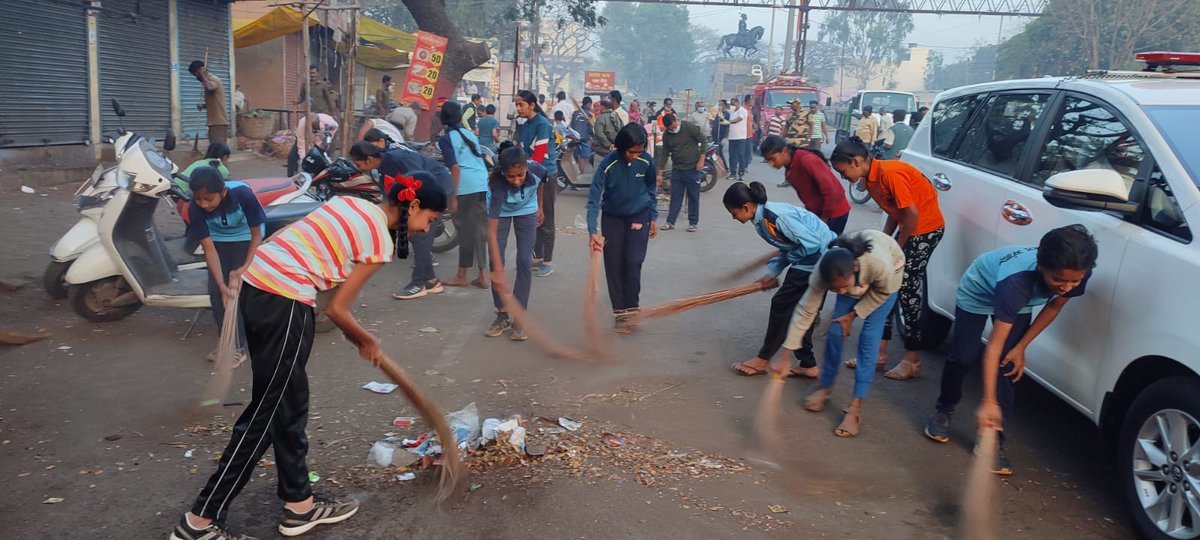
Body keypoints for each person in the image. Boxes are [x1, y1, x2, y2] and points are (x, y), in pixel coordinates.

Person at [168, 174, 447, 540]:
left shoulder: (353, 204)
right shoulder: (378, 240)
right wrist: (368, 340)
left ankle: (299, 505)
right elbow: (338, 311)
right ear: (412, 206)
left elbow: (314, 258)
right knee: (266, 414)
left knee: (290, 404)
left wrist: (358, 336)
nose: (426, 229)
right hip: (283, 301)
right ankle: (199, 522)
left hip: (259, 289)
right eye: (429, 219)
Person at [923, 225, 1097, 475]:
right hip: (980, 290)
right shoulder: (1016, 284)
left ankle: (993, 436)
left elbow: (1053, 308)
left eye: (1074, 281)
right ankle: (944, 409)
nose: (1067, 287)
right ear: (1041, 267)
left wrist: (1021, 347)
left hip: (1021, 302)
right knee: (963, 356)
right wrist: (988, 401)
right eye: (1058, 280)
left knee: (1009, 363)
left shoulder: (1076, 273)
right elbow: (993, 346)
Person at [829, 136, 945, 380]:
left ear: (857, 161)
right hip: (908, 229)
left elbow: (911, 215)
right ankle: (879, 354)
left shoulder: (890, 174)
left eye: (843, 172)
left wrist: (896, 251)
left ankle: (912, 359)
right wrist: (881, 244)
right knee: (886, 284)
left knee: (905, 291)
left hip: (925, 230)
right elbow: (895, 213)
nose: (843, 178)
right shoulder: (870, 179)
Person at [773, 229, 904, 437]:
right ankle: (825, 386)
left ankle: (855, 407)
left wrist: (853, 316)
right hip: (853, 277)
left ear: (853, 270)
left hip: (887, 281)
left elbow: (883, 292)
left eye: (842, 288)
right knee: (835, 332)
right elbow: (806, 310)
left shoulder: (879, 266)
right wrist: (786, 355)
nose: (840, 293)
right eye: (835, 290)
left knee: (869, 340)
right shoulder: (824, 272)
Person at [725, 181, 835, 378]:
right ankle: (808, 364)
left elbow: (812, 244)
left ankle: (763, 359)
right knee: (803, 312)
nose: (734, 218)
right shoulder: (761, 220)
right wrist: (772, 273)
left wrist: (789, 261)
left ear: (746, 207)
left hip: (817, 260)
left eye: (734, 213)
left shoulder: (774, 218)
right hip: (813, 260)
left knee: (781, 305)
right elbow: (788, 247)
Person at [347, 142, 453, 300]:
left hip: (437, 188)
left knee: (419, 236)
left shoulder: (397, 159)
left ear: (369, 159)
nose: (357, 168)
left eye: (358, 163)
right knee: (416, 235)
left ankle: (419, 282)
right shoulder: (383, 168)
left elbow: (424, 180)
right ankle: (431, 281)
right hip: (422, 194)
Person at [186, 166, 265, 366]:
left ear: (222, 192)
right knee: (216, 291)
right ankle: (228, 343)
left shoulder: (243, 195)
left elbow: (257, 235)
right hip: (218, 240)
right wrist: (220, 284)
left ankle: (237, 348)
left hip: (246, 237)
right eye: (199, 199)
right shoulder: (194, 208)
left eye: (209, 199)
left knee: (236, 291)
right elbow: (208, 248)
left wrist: (244, 268)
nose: (203, 204)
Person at [587, 124, 658, 333]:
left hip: (639, 216)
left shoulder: (646, 161)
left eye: (639, 151)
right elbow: (593, 199)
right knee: (614, 265)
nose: (635, 156)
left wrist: (653, 216)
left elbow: (651, 188)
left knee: (634, 261)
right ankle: (620, 314)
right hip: (613, 219)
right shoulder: (608, 165)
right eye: (631, 151)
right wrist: (592, 231)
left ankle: (632, 308)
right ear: (620, 147)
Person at [485, 146, 546, 341]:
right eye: (511, 177)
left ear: (527, 167)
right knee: (496, 263)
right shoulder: (498, 186)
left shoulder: (537, 170)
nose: (517, 181)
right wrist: (498, 271)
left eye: (520, 175)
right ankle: (502, 314)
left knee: (524, 261)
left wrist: (540, 207)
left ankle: (519, 317)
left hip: (527, 210)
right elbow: (491, 232)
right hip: (501, 212)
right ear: (503, 173)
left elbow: (541, 183)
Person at [438, 101, 491, 291]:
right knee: (479, 230)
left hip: (465, 186)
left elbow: (454, 167)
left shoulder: (446, 138)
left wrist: (453, 196)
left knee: (465, 231)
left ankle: (462, 275)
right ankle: (483, 275)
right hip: (481, 182)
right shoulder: (469, 134)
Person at [759, 136, 849, 233]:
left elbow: (831, 191)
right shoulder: (790, 168)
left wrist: (823, 219)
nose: (771, 164)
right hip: (818, 213)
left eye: (773, 159)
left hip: (834, 212)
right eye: (768, 161)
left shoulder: (806, 160)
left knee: (826, 246)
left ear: (784, 151)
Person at [513, 90, 558, 278]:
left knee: (545, 217)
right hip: (532, 174)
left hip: (544, 175)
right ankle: (537, 257)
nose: (518, 108)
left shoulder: (542, 124)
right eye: (517, 105)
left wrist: (526, 176)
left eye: (521, 104)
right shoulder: (525, 124)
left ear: (532, 105)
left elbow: (539, 154)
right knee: (534, 216)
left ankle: (547, 261)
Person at [658, 113, 707, 232]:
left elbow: (703, 140)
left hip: (692, 168)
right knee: (675, 196)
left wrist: (701, 160)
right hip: (677, 169)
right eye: (670, 129)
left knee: (693, 197)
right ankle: (670, 221)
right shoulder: (667, 135)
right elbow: (664, 153)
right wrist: (659, 173)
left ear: (676, 121)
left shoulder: (688, 127)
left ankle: (693, 222)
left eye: (674, 126)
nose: (673, 130)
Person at [188, 60, 229, 146]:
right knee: (215, 147)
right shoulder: (207, 82)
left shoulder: (213, 79)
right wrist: (203, 106)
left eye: (196, 74)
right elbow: (214, 102)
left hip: (218, 122)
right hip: (213, 122)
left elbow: (210, 87)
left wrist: (203, 76)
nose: (196, 77)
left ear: (201, 70)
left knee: (219, 149)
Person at [288, 112, 338, 176]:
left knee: (322, 160)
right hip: (305, 138)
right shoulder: (302, 123)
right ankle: (291, 179)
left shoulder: (329, 123)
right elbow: (301, 142)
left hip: (321, 137)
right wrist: (304, 158)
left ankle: (319, 178)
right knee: (292, 157)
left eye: (314, 130)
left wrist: (324, 140)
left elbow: (336, 127)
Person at [727, 97, 750, 181]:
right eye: (731, 104)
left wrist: (729, 122)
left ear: (737, 102)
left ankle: (741, 173)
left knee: (741, 155)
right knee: (732, 156)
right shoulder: (732, 112)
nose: (732, 105)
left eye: (733, 104)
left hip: (740, 137)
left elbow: (738, 119)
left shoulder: (742, 110)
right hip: (732, 137)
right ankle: (733, 173)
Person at [571, 96, 595, 171]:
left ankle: (576, 172)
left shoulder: (575, 113)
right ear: (589, 104)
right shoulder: (590, 114)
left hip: (575, 138)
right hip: (584, 138)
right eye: (591, 105)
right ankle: (581, 172)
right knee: (584, 157)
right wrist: (592, 135)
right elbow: (591, 128)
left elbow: (572, 125)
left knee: (576, 156)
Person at [713, 100, 731, 176]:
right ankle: (717, 169)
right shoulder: (718, 114)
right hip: (715, 136)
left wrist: (725, 137)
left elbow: (728, 126)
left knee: (720, 153)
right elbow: (715, 125)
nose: (720, 106)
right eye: (719, 105)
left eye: (721, 105)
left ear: (724, 106)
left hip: (721, 137)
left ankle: (726, 168)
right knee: (715, 153)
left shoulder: (727, 115)